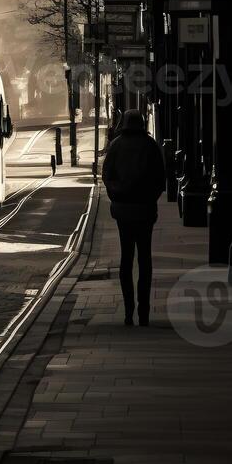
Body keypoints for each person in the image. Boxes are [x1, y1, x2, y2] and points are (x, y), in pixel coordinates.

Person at [101, 111, 167, 326]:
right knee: (145, 259)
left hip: (123, 211)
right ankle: (144, 311)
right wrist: (150, 198)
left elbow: (106, 174)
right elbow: (160, 178)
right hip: (145, 210)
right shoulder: (150, 145)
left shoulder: (116, 145)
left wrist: (116, 195)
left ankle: (129, 310)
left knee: (126, 259)